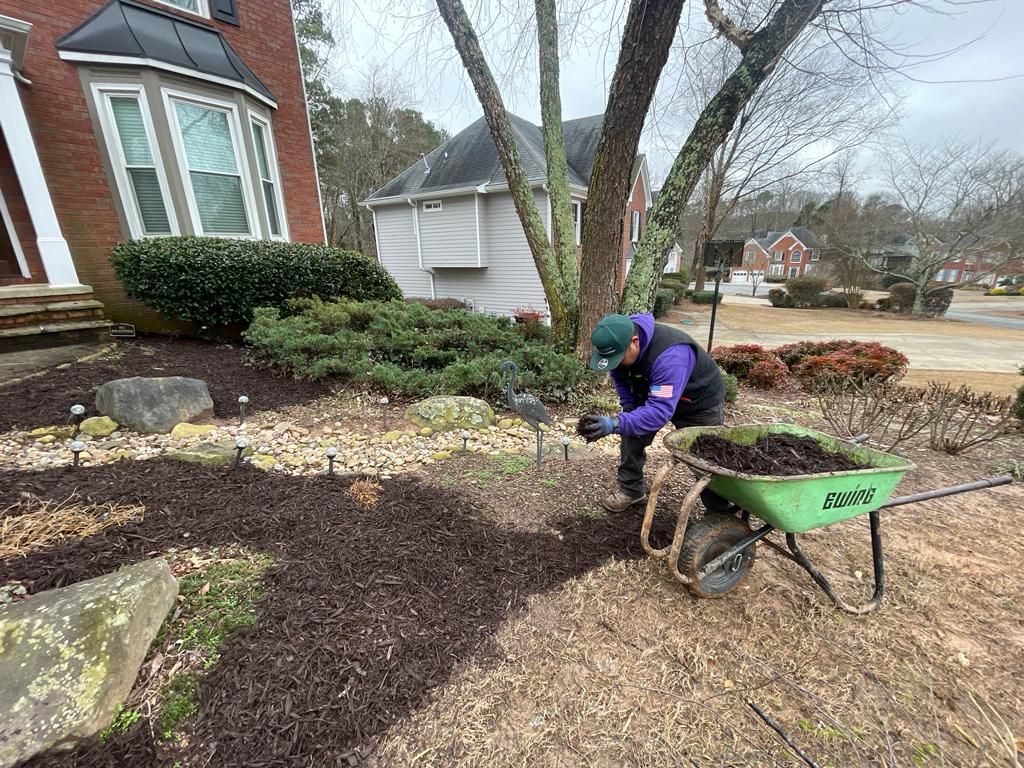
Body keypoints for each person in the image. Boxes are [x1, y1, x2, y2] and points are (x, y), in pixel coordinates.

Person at [579, 312, 727, 513]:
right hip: (652, 391)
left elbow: (659, 412)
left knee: (706, 457)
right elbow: (621, 380)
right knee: (631, 433)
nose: (616, 363)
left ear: (635, 342)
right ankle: (632, 491)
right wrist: (628, 412)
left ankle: (719, 513)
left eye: (618, 358)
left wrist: (614, 424)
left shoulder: (671, 356)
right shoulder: (619, 348)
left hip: (697, 402)